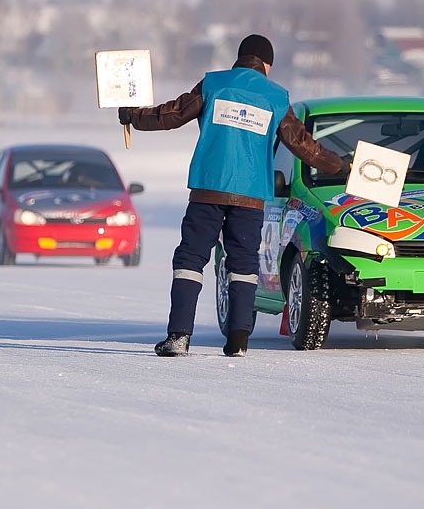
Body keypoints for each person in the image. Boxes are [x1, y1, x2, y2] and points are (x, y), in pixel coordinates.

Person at [118, 33, 345, 357]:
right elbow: (302, 145)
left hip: (209, 188)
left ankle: (179, 336)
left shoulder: (213, 84)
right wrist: (338, 165)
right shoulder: (276, 97)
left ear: (239, 57)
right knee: (243, 263)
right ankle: (238, 341)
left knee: (190, 260)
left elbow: (172, 114)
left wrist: (133, 115)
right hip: (250, 196)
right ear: (267, 63)